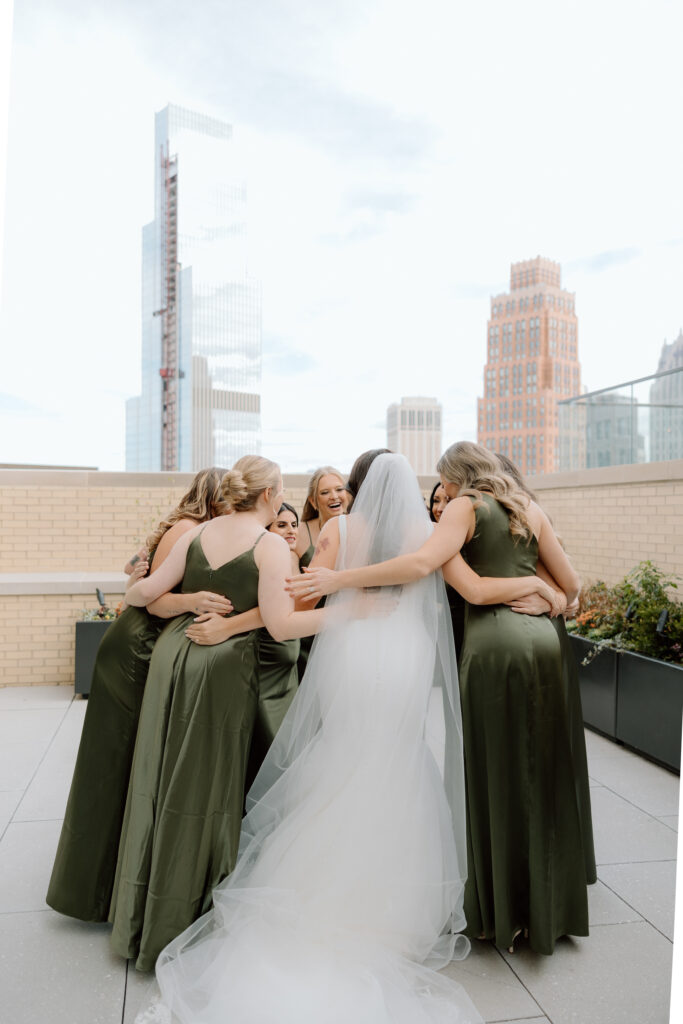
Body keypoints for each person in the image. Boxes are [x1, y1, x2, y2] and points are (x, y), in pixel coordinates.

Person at [134, 450, 485, 1023]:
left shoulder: (340, 531)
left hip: (353, 653)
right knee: (399, 759)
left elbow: (292, 606)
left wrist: (231, 622)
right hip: (406, 658)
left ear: (354, 486)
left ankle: (325, 888)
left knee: (345, 754)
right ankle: (392, 907)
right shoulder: (432, 531)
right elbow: (466, 587)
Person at [289, 441, 588, 955]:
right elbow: (573, 587)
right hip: (543, 644)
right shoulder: (527, 507)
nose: (440, 491)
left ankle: (500, 907)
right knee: (544, 769)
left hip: (494, 647)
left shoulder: (460, 509)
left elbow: (444, 577)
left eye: (444, 482)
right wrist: (548, 596)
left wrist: (340, 580)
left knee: (492, 770)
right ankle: (548, 904)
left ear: (456, 478)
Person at [108, 457, 329, 972]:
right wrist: (351, 613)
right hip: (222, 673)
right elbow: (280, 626)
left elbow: (143, 595)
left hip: (175, 661)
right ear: (271, 494)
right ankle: (200, 908)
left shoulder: (196, 535)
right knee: (208, 788)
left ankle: (149, 913)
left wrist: (184, 600)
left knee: (165, 780)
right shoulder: (271, 545)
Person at [46, 468, 234, 924]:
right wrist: (192, 602)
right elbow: (147, 597)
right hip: (136, 646)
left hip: (146, 643)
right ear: (214, 496)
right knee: (115, 762)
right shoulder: (188, 529)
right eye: (230, 497)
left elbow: (132, 565)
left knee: (126, 761)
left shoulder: (191, 528)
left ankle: (108, 882)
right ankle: (92, 889)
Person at [294, 465, 348, 678]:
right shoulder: (300, 532)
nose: (334, 496)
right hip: (309, 630)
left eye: (339, 489)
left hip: (346, 624)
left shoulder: (356, 527)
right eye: (325, 492)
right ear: (313, 501)